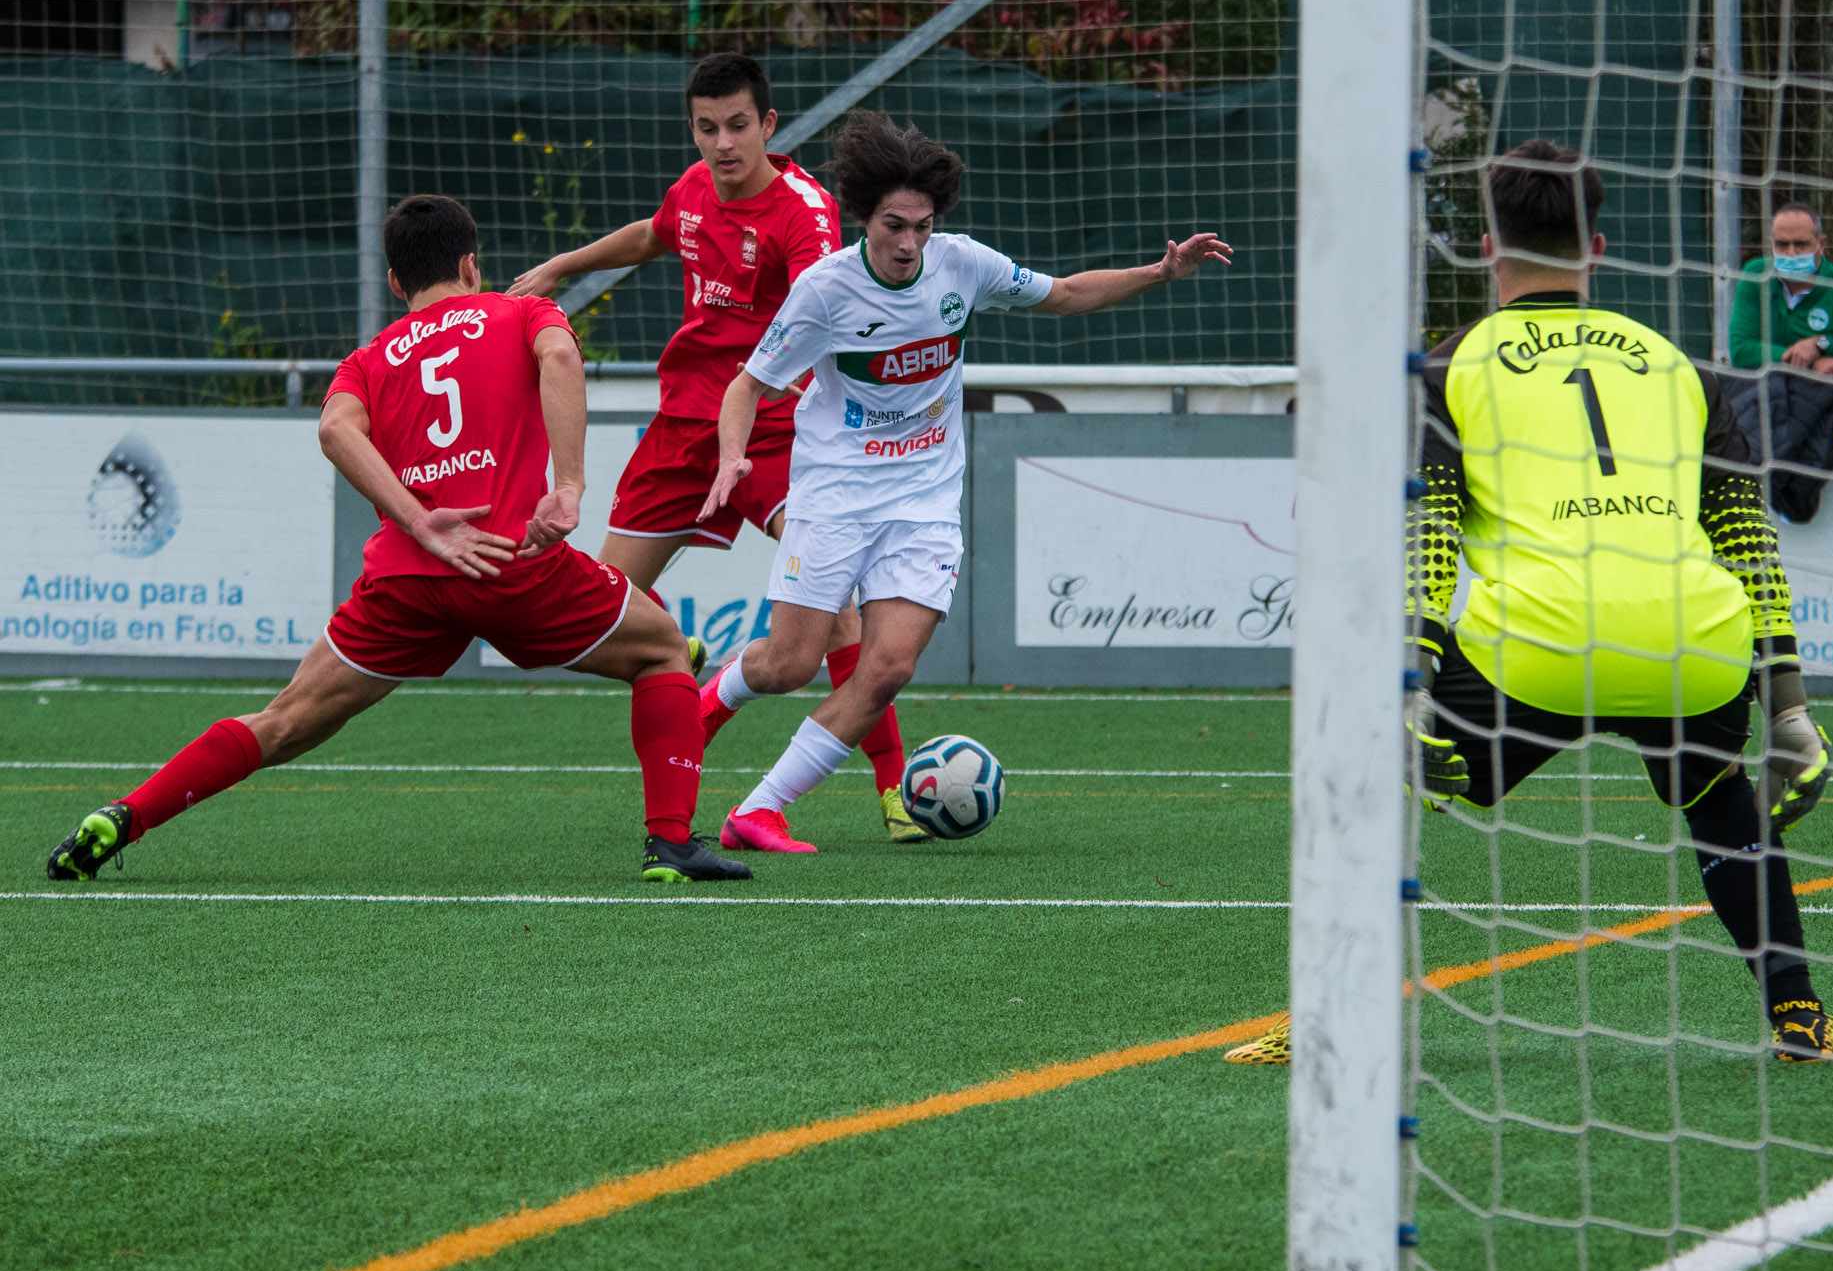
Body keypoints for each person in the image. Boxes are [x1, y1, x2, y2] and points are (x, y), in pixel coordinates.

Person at [1224, 139, 1833, 1067]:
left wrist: (1408, 677)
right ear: (1597, 249)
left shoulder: (1446, 366)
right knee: (1719, 798)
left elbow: (1430, 539)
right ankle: (1800, 1015)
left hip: (1542, 645)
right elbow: (1745, 539)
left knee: (1367, 770)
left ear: (1484, 246)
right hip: (1696, 645)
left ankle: (1330, 1016)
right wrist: (1788, 703)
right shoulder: (1678, 365)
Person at [45, 195, 750, 885]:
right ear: (471, 265)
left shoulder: (370, 357)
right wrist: (567, 485)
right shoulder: (521, 310)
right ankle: (671, 843)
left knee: (283, 719)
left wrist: (417, 521)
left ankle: (126, 813)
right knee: (663, 651)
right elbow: (560, 360)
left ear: (394, 281)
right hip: (513, 564)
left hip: (409, 581)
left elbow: (333, 430)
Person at [694, 111, 1232, 842]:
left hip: (923, 500)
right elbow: (747, 385)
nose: (909, 242)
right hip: (835, 495)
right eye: (894, 225)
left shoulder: (963, 264)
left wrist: (1162, 271)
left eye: (922, 224)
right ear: (865, 218)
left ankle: (758, 807)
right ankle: (709, 703)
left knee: (887, 666)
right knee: (790, 663)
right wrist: (733, 456)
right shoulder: (825, 290)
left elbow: (1067, 294)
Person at [509, 50, 920, 852]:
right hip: (681, 429)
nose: (724, 143)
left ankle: (896, 791)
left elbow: (829, 307)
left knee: (836, 612)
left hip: (773, 434)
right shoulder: (695, 189)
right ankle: (683, 649)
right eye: (707, 128)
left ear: (768, 124)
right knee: (596, 601)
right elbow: (653, 235)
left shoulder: (803, 213)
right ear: (693, 130)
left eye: (738, 126)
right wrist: (563, 265)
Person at [1726, 200, 1833, 523]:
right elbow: (1742, 350)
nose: (1790, 253)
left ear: (1822, 245)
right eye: (1781, 244)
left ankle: (1793, 489)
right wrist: (1805, 360)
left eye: (1800, 244)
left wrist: (1828, 344)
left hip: (1823, 412)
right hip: (1768, 404)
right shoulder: (1754, 277)